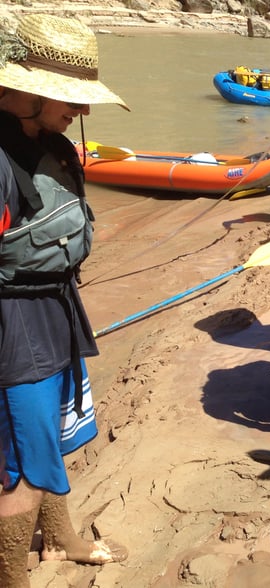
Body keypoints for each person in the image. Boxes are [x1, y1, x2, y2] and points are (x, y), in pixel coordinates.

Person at [0, 14, 131, 586]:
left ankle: (58, 537)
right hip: (13, 327)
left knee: (53, 433)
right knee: (21, 468)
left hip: (55, 308)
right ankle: (11, 575)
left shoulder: (49, 143)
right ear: (17, 89)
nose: (80, 111)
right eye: (66, 98)